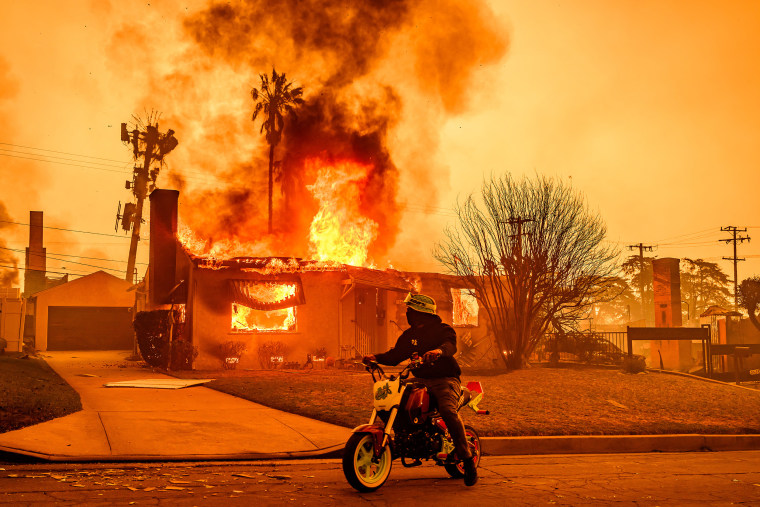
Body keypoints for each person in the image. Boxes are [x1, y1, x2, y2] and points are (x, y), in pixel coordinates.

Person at [363, 292, 478, 487]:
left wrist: (438, 352)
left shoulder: (443, 330)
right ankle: (403, 439)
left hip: (445, 379)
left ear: (420, 312)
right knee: (395, 400)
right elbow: (395, 356)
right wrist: (375, 357)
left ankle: (467, 459)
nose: (407, 313)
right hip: (420, 379)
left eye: (410, 310)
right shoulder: (409, 335)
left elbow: (450, 346)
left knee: (448, 411)